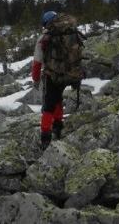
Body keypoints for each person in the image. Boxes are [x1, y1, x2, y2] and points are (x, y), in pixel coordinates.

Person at [31, 11, 84, 150]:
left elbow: (37, 62)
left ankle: (45, 137)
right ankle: (58, 126)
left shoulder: (45, 37)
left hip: (53, 74)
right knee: (58, 98)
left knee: (49, 105)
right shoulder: (72, 32)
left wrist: (36, 79)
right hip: (71, 73)